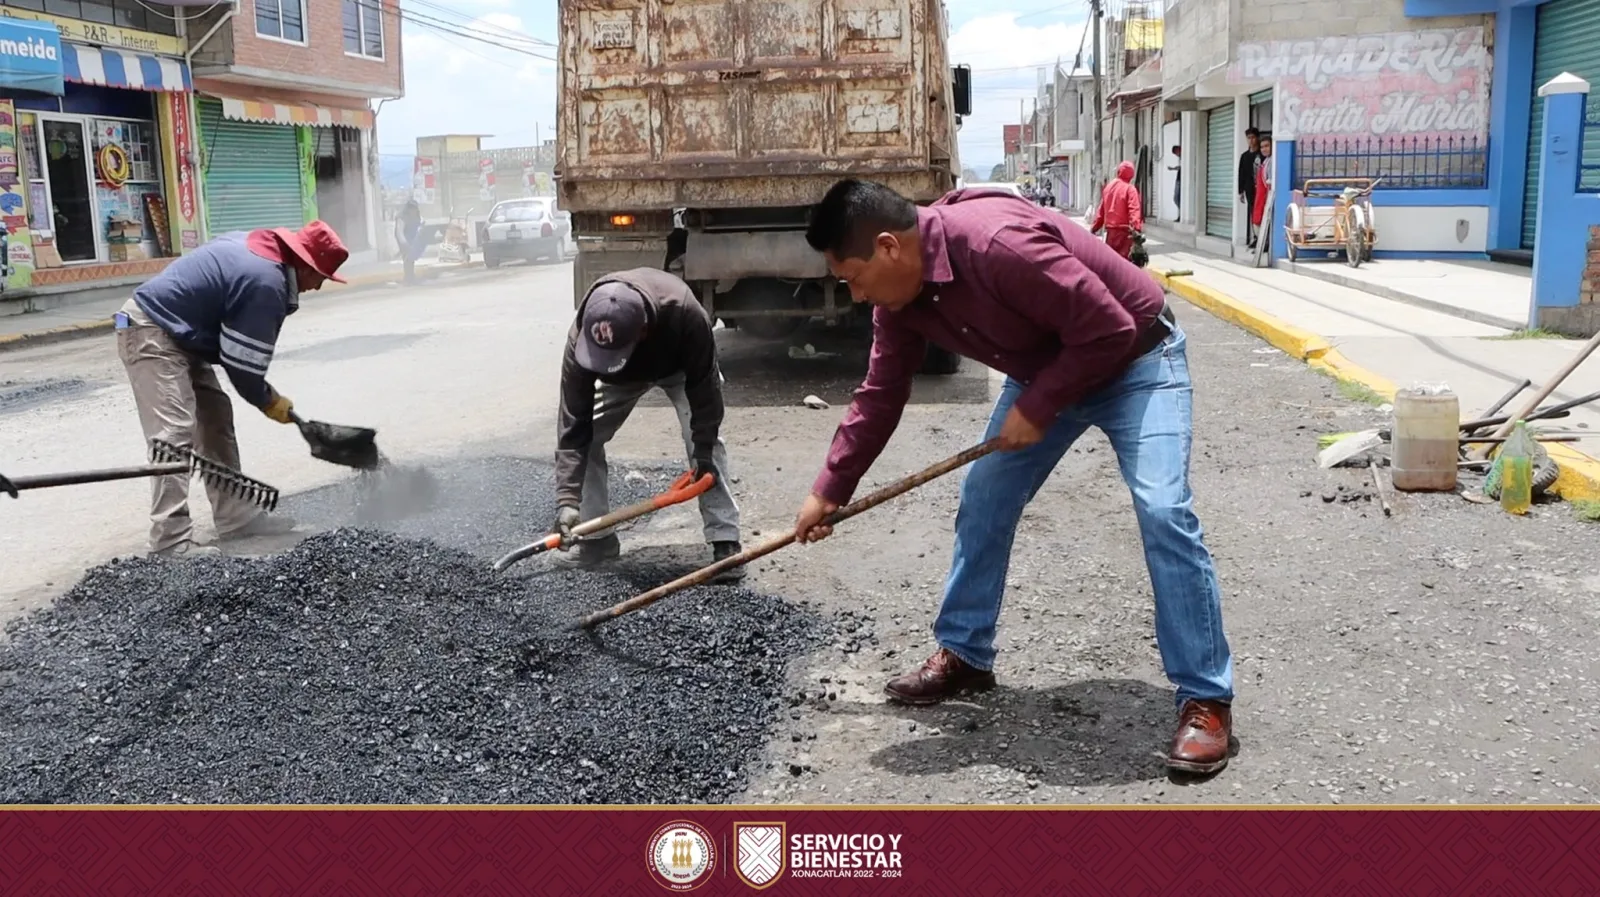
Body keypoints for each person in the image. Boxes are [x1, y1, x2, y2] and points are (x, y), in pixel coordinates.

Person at [795, 179, 1236, 774]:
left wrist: (1039, 406)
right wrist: (829, 490)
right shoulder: (899, 300)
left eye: (851, 277)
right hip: (1052, 368)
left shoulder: (997, 244)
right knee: (985, 496)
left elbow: (1108, 329)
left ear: (888, 247)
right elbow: (880, 395)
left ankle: (1206, 697)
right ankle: (966, 654)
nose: (854, 295)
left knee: (1162, 508)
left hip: (1138, 359)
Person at [116, 221, 351, 558]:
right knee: (173, 434)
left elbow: (235, 352)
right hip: (149, 330)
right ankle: (169, 540)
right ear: (304, 264)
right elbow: (243, 367)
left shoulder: (267, 257)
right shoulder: (266, 281)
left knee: (215, 418)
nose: (317, 287)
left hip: (180, 334)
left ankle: (235, 517)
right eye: (320, 277)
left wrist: (266, 396)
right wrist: (270, 401)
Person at [551, 268, 745, 581]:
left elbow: (705, 400)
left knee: (701, 441)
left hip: (680, 369)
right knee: (588, 439)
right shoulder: (581, 340)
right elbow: (574, 425)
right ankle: (597, 538)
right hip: (619, 378)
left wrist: (704, 456)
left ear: (642, 330)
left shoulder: (685, 313)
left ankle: (726, 540)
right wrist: (567, 500)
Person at [1089, 161, 1144, 260]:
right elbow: (1134, 209)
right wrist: (1137, 229)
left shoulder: (1108, 188)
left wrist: (1094, 228)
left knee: (1112, 262)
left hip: (1110, 233)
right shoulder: (1130, 189)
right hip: (1125, 233)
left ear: (1118, 172)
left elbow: (1101, 211)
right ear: (1131, 175)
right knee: (1125, 265)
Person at [1238, 129, 1262, 248]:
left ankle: (1263, 237)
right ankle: (1256, 237)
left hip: (1261, 189)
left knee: (1261, 212)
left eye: (1253, 137)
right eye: (1249, 138)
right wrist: (1240, 191)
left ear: (1257, 138)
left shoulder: (1262, 154)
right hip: (1249, 189)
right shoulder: (1245, 156)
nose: (1251, 140)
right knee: (1253, 212)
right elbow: (1241, 174)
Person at [395, 200, 424, 284]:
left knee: (411, 259)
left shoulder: (416, 215)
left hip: (412, 239)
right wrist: (404, 243)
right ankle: (408, 278)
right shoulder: (402, 216)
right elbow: (399, 231)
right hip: (404, 240)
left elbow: (419, 225)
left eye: (414, 208)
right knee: (407, 259)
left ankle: (410, 276)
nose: (413, 210)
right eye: (411, 208)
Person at [1252, 134, 1273, 238]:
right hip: (1261, 197)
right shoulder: (1265, 161)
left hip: (1267, 196)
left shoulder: (1273, 161)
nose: (1264, 149)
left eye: (1267, 146)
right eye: (1262, 147)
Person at [1169, 145, 1182, 214]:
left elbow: (1181, 168)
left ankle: (1182, 214)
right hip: (1179, 180)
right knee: (1177, 199)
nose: (1176, 155)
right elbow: (1180, 167)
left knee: (1176, 199)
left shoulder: (1185, 157)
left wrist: (1173, 168)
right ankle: (1181, 214)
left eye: (1176, 153)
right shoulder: (1181, 158)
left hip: (1180, 181)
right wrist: (1173, 168)